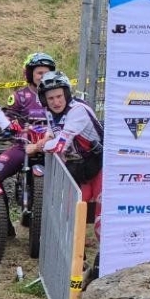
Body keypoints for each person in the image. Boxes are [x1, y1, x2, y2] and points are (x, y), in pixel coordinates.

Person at [31, 71, 104, 204]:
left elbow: (59, 146)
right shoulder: (49, 111)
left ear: (66, 94)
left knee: (101, 211)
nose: (56, 102)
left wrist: (38, 147)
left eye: (59, 96)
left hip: (100, 164)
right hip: (79, 167)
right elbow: (52, 131)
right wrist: (47, 138)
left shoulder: (78, 110)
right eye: (50, 98)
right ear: (44, 100)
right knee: (72, 210)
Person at [0, 52, 57, 194]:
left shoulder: (58, 96)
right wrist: (17, 131)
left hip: (53, 147)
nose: (43, 77)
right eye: (39, 73)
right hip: (24, 146)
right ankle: (1, 208)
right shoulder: (19, 97)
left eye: (47, 73)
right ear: (29, 74)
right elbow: (8, 120)